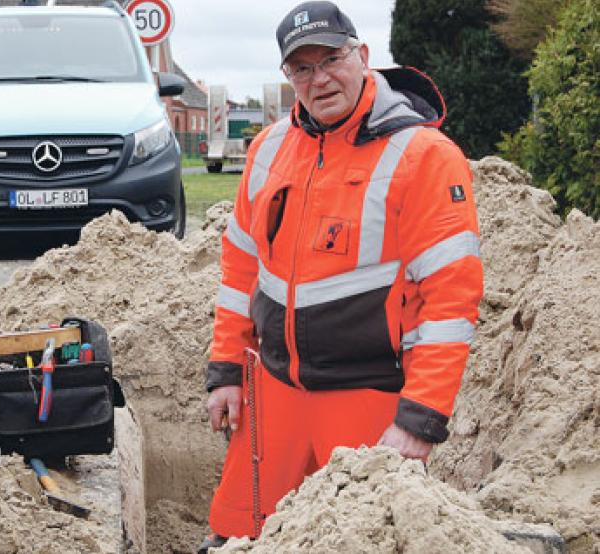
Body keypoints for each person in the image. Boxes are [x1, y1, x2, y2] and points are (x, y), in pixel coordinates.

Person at [200, 1, 484, 549]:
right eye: (301, 68)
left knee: (360, 540)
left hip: (368, 399)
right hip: (274, 395)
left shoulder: (424, 157)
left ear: (362, 56)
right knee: (236, 536)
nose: (319, 79)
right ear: (288, 77)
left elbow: (450, 302)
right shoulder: (269, 148)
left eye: (331, 59)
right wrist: (227, 370)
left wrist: (420, 419)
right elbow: (240, 272)